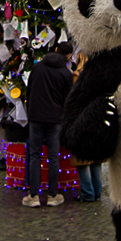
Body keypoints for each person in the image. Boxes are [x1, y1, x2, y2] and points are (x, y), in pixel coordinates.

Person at [22, 41, 74, 208]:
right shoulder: (65, 73)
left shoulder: (37, 68)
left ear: (56, 49)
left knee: (35, 156)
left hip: (36, 116)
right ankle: (52, 195)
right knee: (53, 156)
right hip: (55, 118)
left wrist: (30, 110)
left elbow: (29, 91)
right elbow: (68, 98)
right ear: (68, 56)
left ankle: (34, 195)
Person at [71, 52, 103, 203]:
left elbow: (75, 98)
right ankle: (97, 192)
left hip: (82, 119)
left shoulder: (77, 75)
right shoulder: (99, 74)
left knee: (82, 159)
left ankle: (87, 193)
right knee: (95, 159)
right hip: (97, 118)